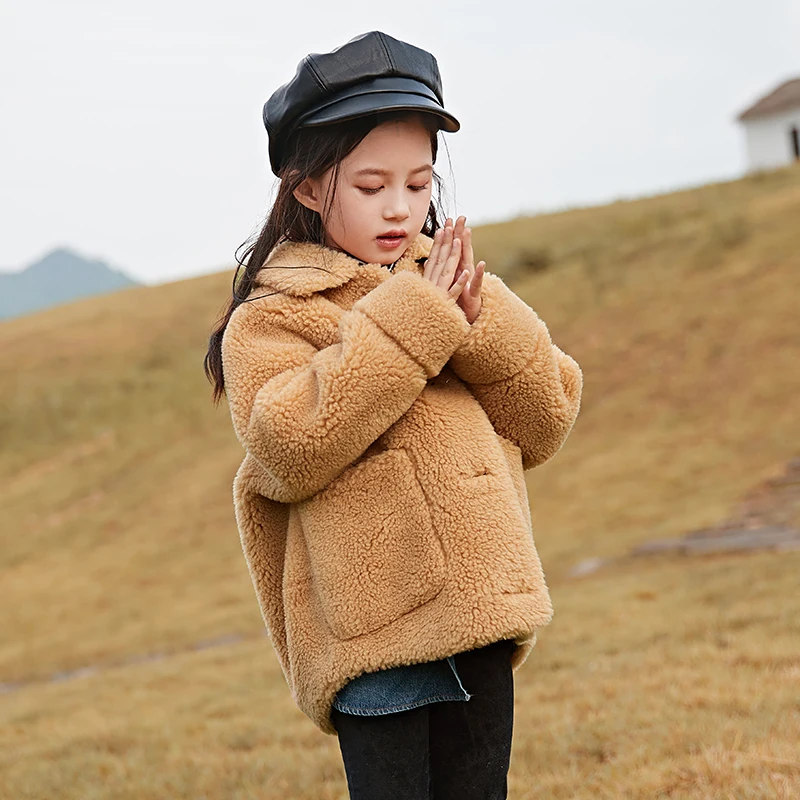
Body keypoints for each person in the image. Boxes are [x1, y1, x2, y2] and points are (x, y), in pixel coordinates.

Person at [204, 30, 583, 800]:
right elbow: (291, 441)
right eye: (372, 186)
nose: (402, 209)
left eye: (418, 184)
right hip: (377, 638)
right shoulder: (274, 319)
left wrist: (475, 323)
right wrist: (418, 318)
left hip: (480, 613)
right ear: (309, 187)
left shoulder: (448, 282)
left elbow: (547, 418)